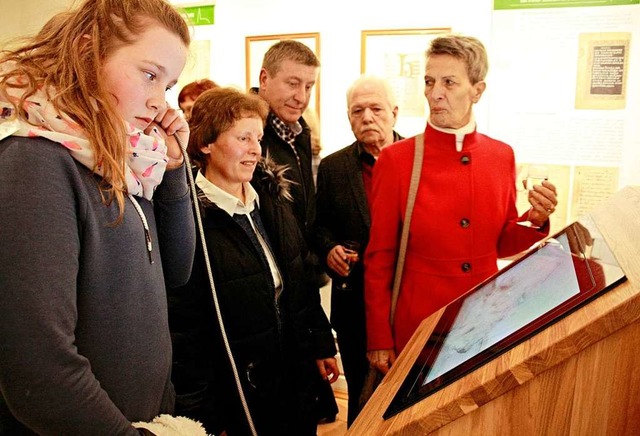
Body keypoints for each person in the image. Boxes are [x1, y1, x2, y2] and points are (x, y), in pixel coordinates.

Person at [0, 0, 196, 434]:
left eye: (167, 85)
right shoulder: (37, 161)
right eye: (149, 74)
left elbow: (178, 271)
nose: (158, 101)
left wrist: (176, 167)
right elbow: (37, 366)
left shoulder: (123, 159)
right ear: (89, 53)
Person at [365, 35, 559, 376]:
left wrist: (536, 219)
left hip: (485, 321)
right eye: (429, 81)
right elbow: (380, 256)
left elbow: (500, 243)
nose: (435, 93)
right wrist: (379, 337)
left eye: (449, 82)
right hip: (419, 328)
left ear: (477, 90)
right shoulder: (396, 160)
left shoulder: (501, 156)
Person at [167, 87, 339, 435]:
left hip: (293, 375)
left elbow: (298, 278)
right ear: (206, 143)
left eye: (257, 138)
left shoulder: (272, 198)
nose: (254, 149)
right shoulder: (191, 220)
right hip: (241, 391)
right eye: (242, 137)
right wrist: (205, 414)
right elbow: (186, 330)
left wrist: (320, 342)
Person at [253, 39, 337, 422]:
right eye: (292, 83)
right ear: (264, 79)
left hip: (297, 295)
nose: (301, 96)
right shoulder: (249, 136)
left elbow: (301, 234)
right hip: (262, 303)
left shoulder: (298, 136)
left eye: (309, 86)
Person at [314, 75, 402, 426]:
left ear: (395, 112)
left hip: (405, 303)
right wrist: (328, 249)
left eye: (376, 109)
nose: (367, 117)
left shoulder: (418, 160)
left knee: (406, 401)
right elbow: (318, 225)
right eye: (357, 111)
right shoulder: (335, 168)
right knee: (363, 408)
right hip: (355, 307)